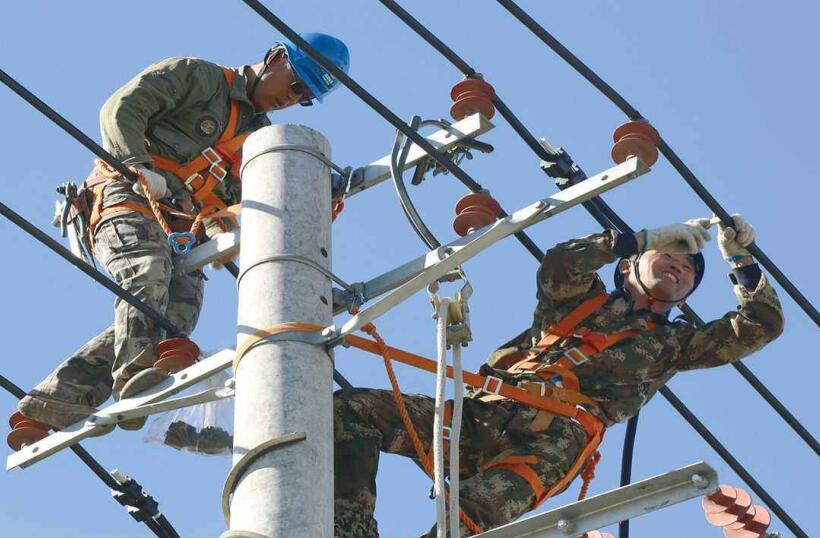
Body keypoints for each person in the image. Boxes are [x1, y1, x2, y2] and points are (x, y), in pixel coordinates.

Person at [333, 215, 784, 537]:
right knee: (353, 411)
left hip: (549, 445)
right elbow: (561, 263)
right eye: (668, 255)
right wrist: (639, 238)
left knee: (467, 524)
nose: (679, 267)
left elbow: (760, 325)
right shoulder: (576, 299)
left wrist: (740, 259)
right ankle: (346, 528)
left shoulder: (675, 344)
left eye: (687, 270)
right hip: (484, 413)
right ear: (627, 266)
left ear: (684, 299)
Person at [17, 33, 350, 431]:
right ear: (277, 57)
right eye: (295, 85)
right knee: (146, 271)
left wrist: (237, 225)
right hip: (126, 194)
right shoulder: (200, 78)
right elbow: (122, 108)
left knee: (178, 314)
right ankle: (134, 373)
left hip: (180, 228)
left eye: (304, 98)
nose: (292, 98)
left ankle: (56, 401)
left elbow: (237, 202)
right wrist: (137, 165)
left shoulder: (260, 144)